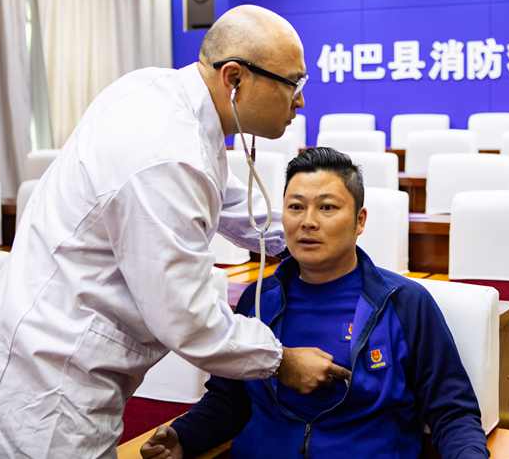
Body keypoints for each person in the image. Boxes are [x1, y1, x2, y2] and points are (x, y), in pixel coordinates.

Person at [0, 5, 350, 458]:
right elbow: (188, 319)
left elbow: (228, 202)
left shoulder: (161, 97)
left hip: (48, 349)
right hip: (51, 383)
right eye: (293, 84)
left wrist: (310, 237)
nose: (300, 101)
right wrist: (281, 361)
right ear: (235, 78)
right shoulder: (167, 152)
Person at [140, 148, 489, 459]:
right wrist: (183, 437)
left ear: (360, 221)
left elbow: (452, 412)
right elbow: (229, 401)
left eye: (327, 207)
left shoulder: (404, 303)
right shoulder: (258, 300)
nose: (308, 221)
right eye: (295, 207)